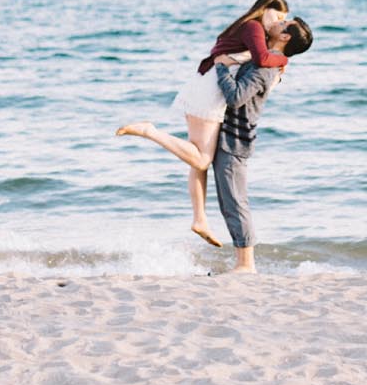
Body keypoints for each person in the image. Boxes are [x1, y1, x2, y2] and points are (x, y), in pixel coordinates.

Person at [120, 15, 312, 270]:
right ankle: (233, 253)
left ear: (285, 36)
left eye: (284, 23)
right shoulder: (264, 61)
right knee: (225, 196)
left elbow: (235, 97)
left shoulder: (265, 68)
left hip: (235, 140)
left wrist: (221, 67)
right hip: (228, 134)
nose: (278, 21)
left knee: (235, 201)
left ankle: (246, 265)